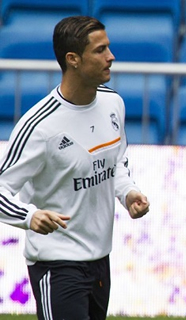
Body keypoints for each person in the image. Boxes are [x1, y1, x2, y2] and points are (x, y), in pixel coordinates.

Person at [0, 16, 150, 319]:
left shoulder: (113, 104)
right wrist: (30, 216)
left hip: (99, 260)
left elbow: (116, 162)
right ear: (73, 60)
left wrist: (128, 193)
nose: (111, 57)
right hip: (57, 264)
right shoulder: (38, 126)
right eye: (100, 50)